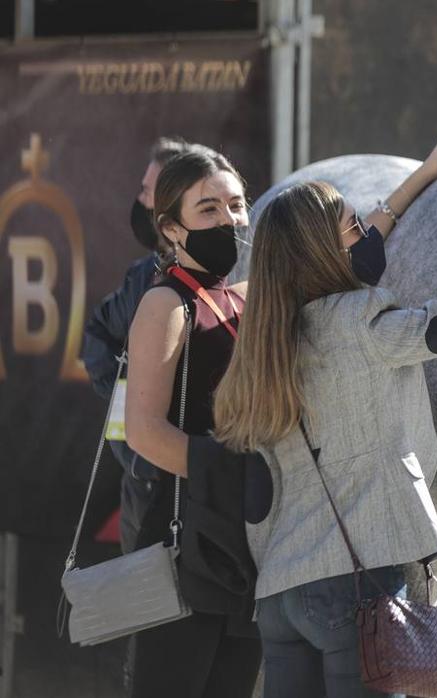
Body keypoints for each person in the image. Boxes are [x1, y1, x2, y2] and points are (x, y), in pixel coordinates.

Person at [211, 127, 437, 698]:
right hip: (358, 590)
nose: (364, 239)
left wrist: (422, 176)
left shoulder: (261, 345)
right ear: (324, 251)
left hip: (280, 593)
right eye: (352, 228)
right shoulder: (364, 324)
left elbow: (256, 493)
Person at [123, 146, 260, 697]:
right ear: (171, 229)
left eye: (236, 204)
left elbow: (327, 250)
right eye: (207, 209)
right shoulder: (166, 303)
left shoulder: (239, 298)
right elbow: (144, 431)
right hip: (182, 545)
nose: (228, 220)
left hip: (241, 545)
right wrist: (234, 479)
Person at [81, 135, 194, 549]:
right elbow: (97, 338)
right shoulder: (140, 277)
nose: (141, 202)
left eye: (148, 192)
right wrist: (130, 413)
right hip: (143, 495)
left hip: (200, 489)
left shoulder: (228, 281)